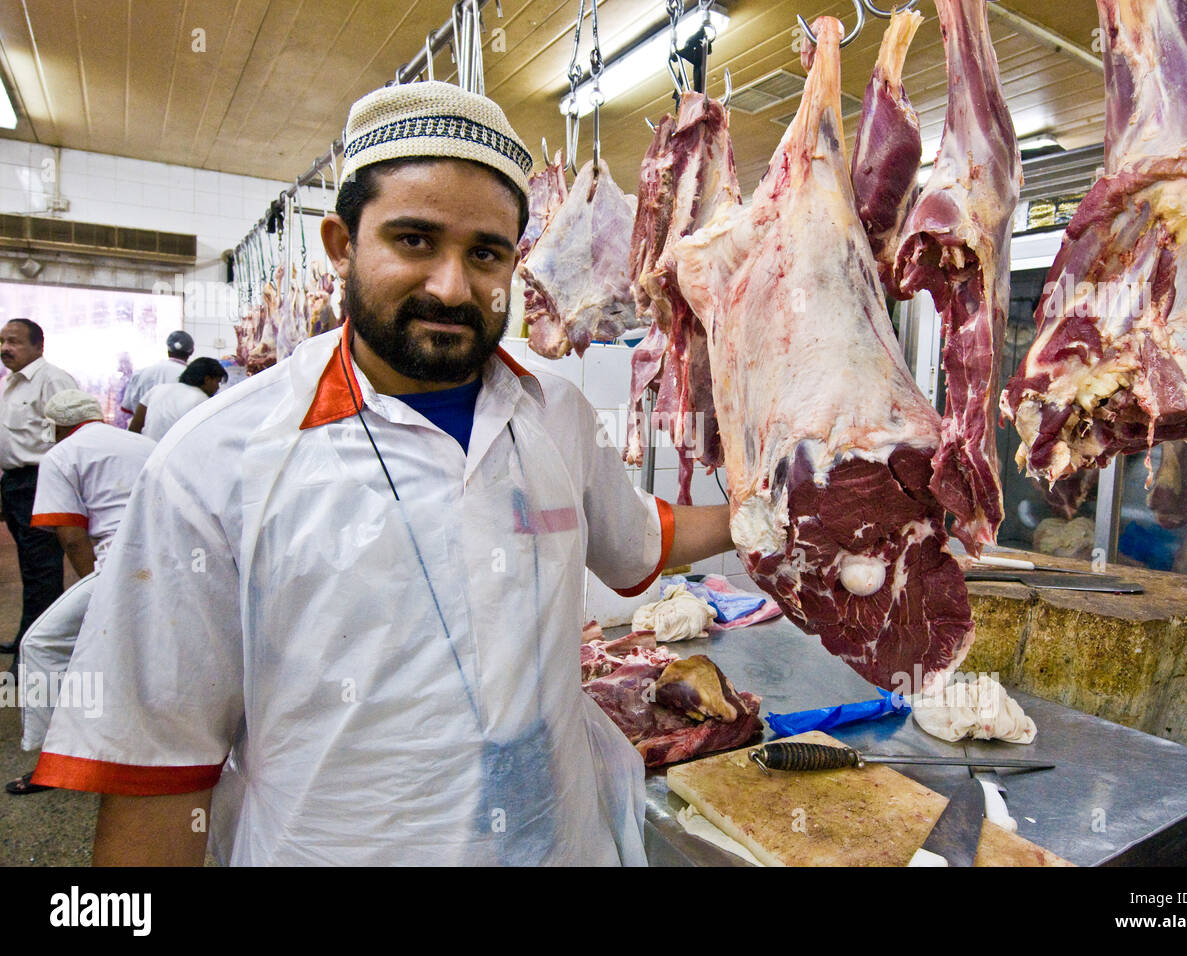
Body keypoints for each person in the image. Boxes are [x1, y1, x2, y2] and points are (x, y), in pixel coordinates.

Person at [32, 81, 735, 866]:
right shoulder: (216, 460)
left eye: (485, 253)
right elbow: (155, 769)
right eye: (414, 240)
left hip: (557, 844)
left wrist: (773, 518)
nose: (451, 285)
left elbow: (641, 537)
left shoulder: (556, 415)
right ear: (341, 245)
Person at [5, 389, 155, 796]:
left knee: (40, 643)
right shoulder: (146, 443)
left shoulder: (61, 455)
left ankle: (52, 762)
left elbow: (72, 539)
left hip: (120, 564)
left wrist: (101, 598)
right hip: (171, 561)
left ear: (57, 426)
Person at [0, 318, 78, 657]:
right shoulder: (10, 384)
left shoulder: (52, 379)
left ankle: (41, 650)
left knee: (43, 570)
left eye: (14, 341)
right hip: (16, 484)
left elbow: (72, 433)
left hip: (41, 481)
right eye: (2, 341)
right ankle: (27, 641)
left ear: (38, 346)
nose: (5, 348)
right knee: (30, 569)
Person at [127, 357, 227, 440]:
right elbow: (206, 438)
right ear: (207, 379)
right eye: (217, 382)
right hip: (174, 458)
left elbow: (134, 427)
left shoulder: (158, 389)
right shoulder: (202, 400)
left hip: (147, 452)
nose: (218, 387)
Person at [119, 330, 193, 417]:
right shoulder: (191, 377)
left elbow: (127, 407)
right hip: (176, 429)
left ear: (168, 349)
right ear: (191, 351)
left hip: (141, 428)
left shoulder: (142, 373)